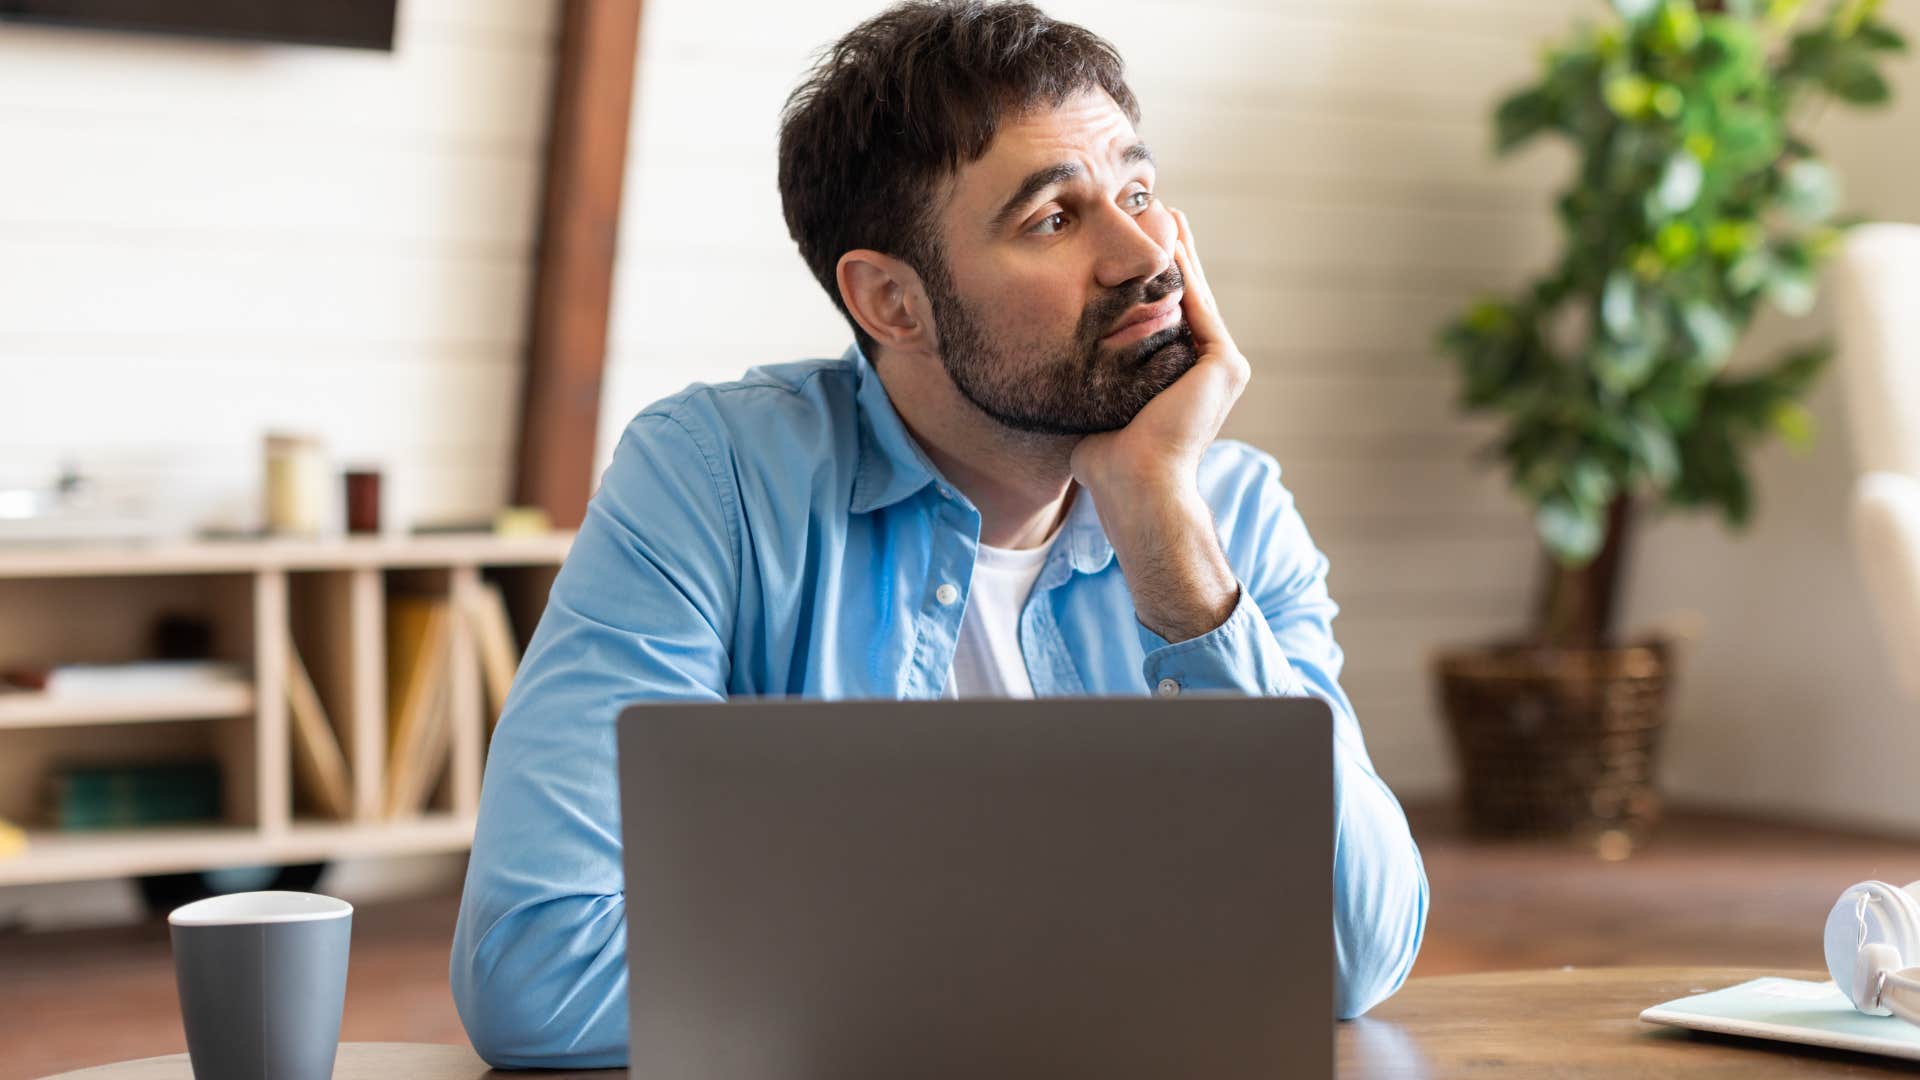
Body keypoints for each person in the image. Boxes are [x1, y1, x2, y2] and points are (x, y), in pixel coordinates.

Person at [450, 0, 1428, 1067]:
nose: (1144, 254)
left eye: (1139, 193)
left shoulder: (1222, 513)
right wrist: (1123, 962)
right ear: (891, 302)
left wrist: (1171, 549)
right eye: (1055, 219)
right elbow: (535, 969)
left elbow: (1356, 951)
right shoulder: (714, 482)